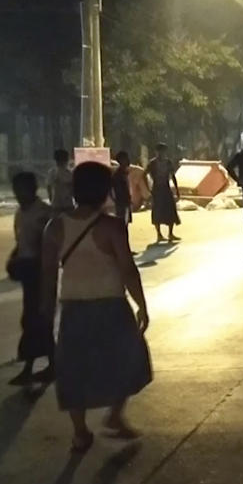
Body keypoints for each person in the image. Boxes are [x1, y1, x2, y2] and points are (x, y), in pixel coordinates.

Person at [41, 162, 152, 452]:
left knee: (74, 369)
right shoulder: (112, 226)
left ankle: (80, 432)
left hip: (73, 307)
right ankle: (115, 416)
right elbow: (128, 270)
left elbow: (48, 276)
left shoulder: (55, 227)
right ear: (106, 191)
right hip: (111, 305)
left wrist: (45, 313)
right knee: (130, 360)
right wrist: (141, 304)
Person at [8, 172, 55, 385]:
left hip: (41, 272)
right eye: (16, 191)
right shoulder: (20, 213)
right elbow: (21, 241)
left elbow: (51, 246)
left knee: (40, 318)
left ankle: (45, 366)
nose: (18, 195)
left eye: (22, 190)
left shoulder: (44, 213)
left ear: (33, 189)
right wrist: (14, 257)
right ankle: (35, 366)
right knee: (30, 319)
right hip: (27, 270)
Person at [145, 143, 180, 243]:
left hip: (166, 188)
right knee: (157, 211)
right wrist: (147, 188)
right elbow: (144, 174)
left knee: (170, 210)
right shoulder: (152, 163)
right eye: (159, 151)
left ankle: (170, 233)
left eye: (163, 151)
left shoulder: (168, 162)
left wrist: (177, 190)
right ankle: (159, 234)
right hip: (156, 189)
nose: (161, 153)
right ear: (156, 152)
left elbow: (173, 176)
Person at [47, 148, 74, 213]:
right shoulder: (69, 173)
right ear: (67, 160)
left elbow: (48, 187)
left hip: (58, 204)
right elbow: (73, 189)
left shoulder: (52, 172)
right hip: (66, 203)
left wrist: (51, 199)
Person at [112, 151, 133, 229]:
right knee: (122, 224)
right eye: (126, 159)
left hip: (125, 202)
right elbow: (117, 190)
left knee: (125, 223)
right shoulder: (118, 175)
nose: (128, 160)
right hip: (121, 203)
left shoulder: (125, 173)